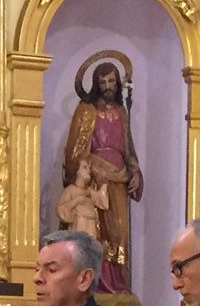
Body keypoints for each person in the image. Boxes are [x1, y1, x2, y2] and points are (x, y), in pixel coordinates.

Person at [61, 60, 144, 294]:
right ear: (96, 85)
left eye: (111, 81)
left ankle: (117, 283)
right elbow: (75, 149)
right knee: (96, 230)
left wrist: (135, 171)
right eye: (103, 82)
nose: (108, 86)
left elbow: (129, 148)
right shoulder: (87, 111)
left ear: (118, 84)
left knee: (119, 231)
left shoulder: (121, 113)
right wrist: (86, 171)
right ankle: (96, 283)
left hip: (119, 180)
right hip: (95, 178)